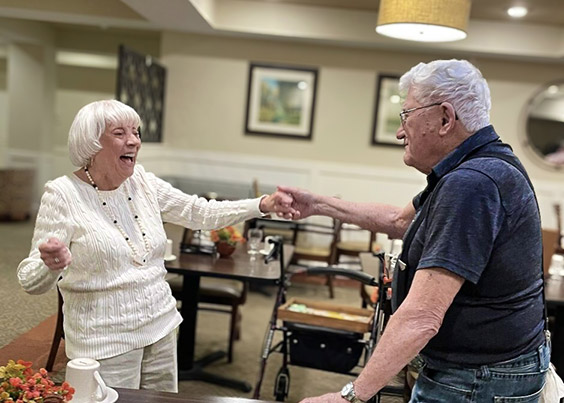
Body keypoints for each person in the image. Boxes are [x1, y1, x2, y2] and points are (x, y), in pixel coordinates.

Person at [284, 60, 548, 402]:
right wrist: (318, 205)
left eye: (405, 115)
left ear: (444, 118)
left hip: (478, 379)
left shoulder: (472, 184)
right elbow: (401, 220)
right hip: (492, 368)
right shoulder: (481, 162)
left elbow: (422, 316)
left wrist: (351, 395)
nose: (399, 131)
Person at [17, 100, 295, 393]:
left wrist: (262, 204)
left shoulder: (142, 182)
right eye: (120, 133)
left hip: (161, 326)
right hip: (104, 339)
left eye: (136, 132)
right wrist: (51, 264)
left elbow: (199, 212)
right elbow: (29, 281)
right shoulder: (62, 195)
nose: (134, 141)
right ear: (91, 142)